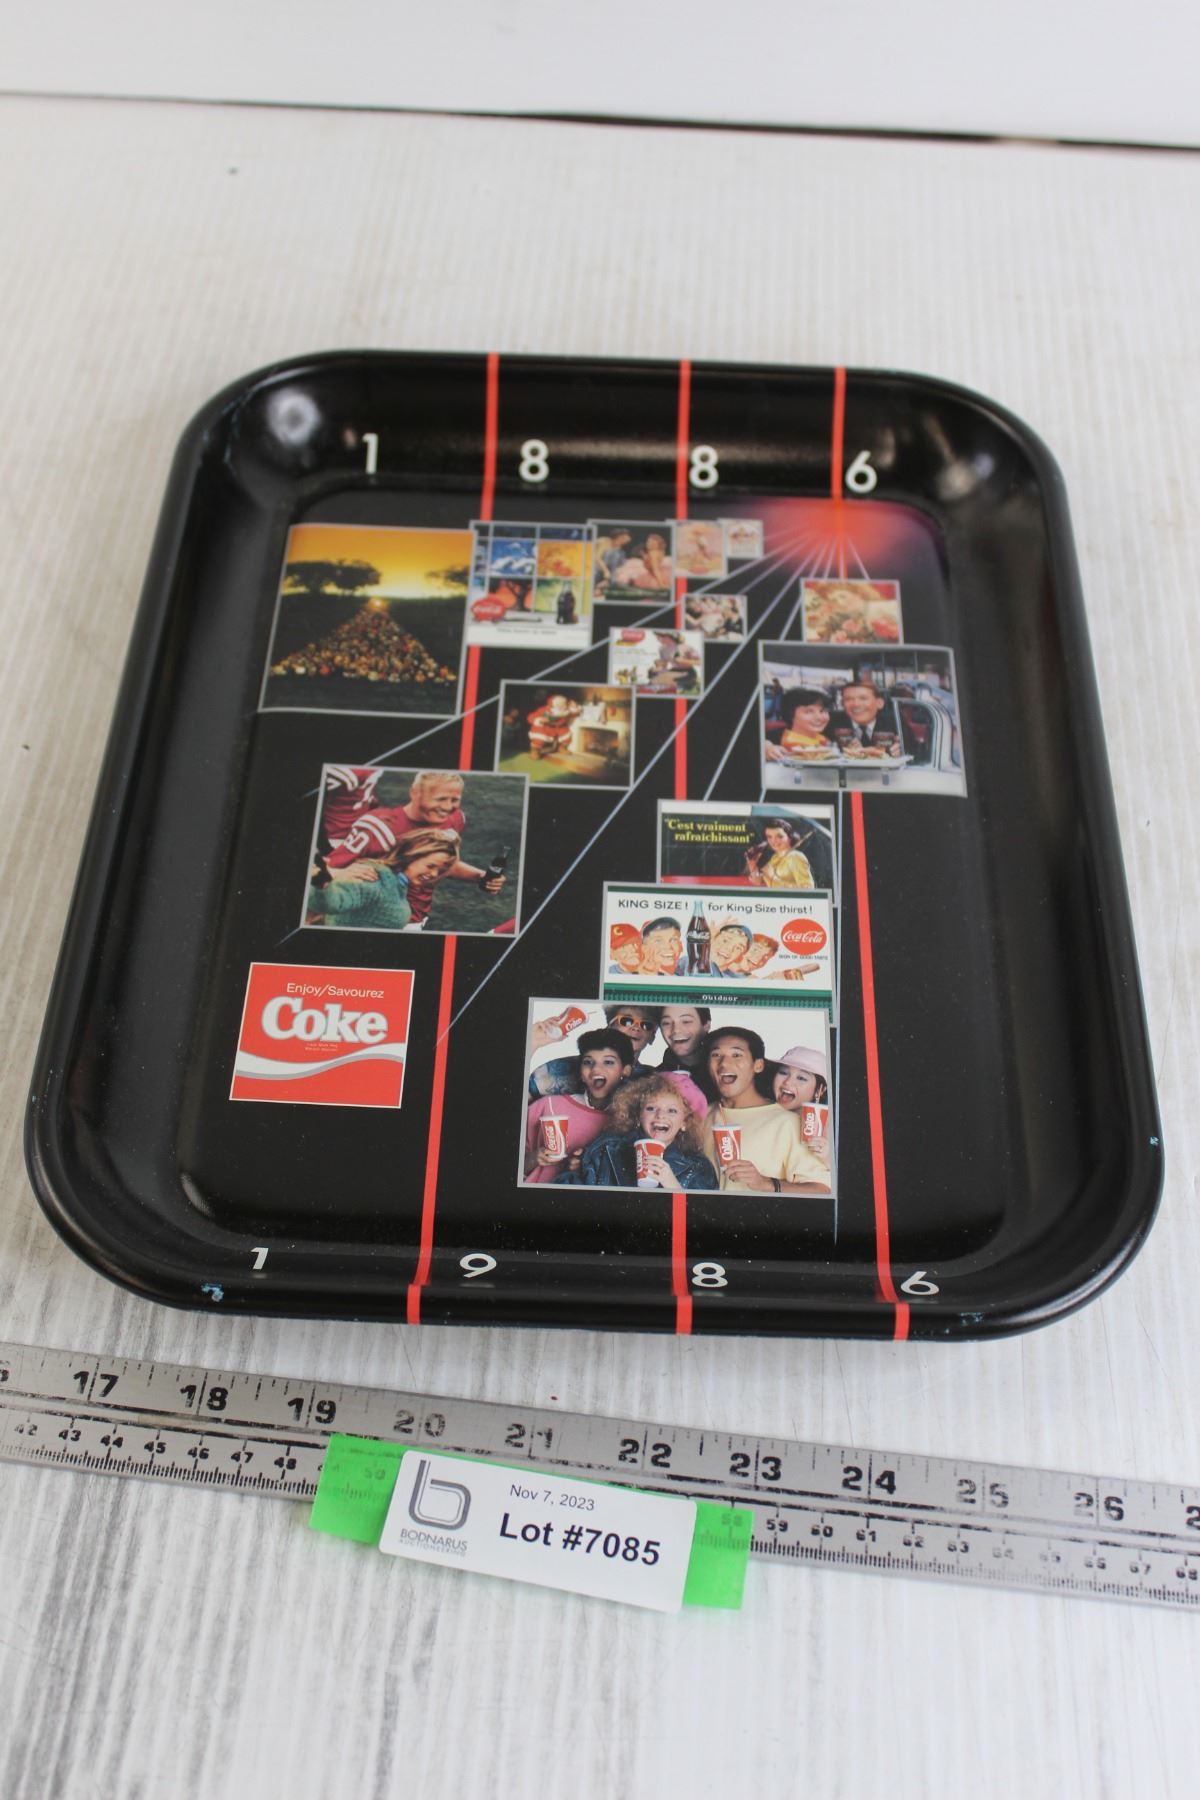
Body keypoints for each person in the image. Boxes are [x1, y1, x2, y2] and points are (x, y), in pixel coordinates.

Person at [323, 770, 505, 925]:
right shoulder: (380, 826)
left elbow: (442, 864)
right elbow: (324, 868)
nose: (447, 807)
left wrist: (479, 876)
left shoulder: (454, 820)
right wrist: (342, 872)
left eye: (454, 800)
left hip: (416, 917)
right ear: (415, 793)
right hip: (371, 917)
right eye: (441, 799)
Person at [702, 1026, 831, 1195]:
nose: (724, 1063)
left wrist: (765, 1184)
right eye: (716, 1055)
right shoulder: (699, 1115)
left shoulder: (791, 1123)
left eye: (736, 1055)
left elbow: (823, 1189)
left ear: (758, 1065)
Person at [557, 1074, 717, 1192]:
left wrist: (673, 1185)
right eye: (651, 1108)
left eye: (672, 1110)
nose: (660, 1115)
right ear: (638, 1116)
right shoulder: (606, 1148)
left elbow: (703, 1220)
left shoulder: (699, 1167)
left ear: (684, 1122)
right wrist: (572, 1170)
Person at [523, 1027, 634, 1183]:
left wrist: (585, 1168)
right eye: (588, 1062)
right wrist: (533, 1159)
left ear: (625, 1071)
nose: (596, 1069)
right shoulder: (547, 1106)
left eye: (608, 1062)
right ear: (581, 1072)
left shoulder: (633, 1119)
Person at [306, 829, 459, 931]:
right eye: (430, 866)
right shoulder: (374, 877)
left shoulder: (398, 884)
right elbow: (333, 902)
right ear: (412, 856)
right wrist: (321, 882)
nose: (434, 874)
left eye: (440, 871)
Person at [771, 1044, 832, 1170]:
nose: (788, 1082)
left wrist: (829, 1159)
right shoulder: (760, 1114)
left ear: (820, 1090)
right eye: (783, 1072)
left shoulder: (830, 1126)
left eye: (801, 1078)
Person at [657, 1006, 716, 1103]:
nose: (676, 1030)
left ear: (706, 1025)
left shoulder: (722, 1074)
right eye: (666, 1023)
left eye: (686, 1021)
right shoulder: (654, 1079)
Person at [829, 682, 905, 757]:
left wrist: (901, 751)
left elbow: (910, 752)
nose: (856, 704)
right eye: (848, 699)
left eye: (863, 698)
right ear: (842, 704)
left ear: (879, 703)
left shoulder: (896, 723)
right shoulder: (832, 724)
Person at [745, 818, 816, 889]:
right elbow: (759, 881)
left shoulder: (795, 857)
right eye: (769, 837)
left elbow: (808, 888)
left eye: (779, 836)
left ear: (790, 837)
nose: (773, 841)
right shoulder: (775, 857)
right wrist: (753, 865)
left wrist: (773, 877)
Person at [766, 688, 834, 759]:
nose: (819, 717)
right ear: (791, 715)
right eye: (809, 712)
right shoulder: (778, 742)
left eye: (823, 711)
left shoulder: (824, 738)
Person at [527, 692, 581, 759]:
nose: (562, 706)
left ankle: (562, 748)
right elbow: (531, 716)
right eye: (559, 705)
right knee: (539, 739)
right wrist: (539, 719)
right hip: (546, 727)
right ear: (553, 705)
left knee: (567, 737)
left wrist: (574, 707)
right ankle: (535, 751)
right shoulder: (545, 710)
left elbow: (575, 713)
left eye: (564, 704)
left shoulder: (566, 711)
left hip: (560, 727)